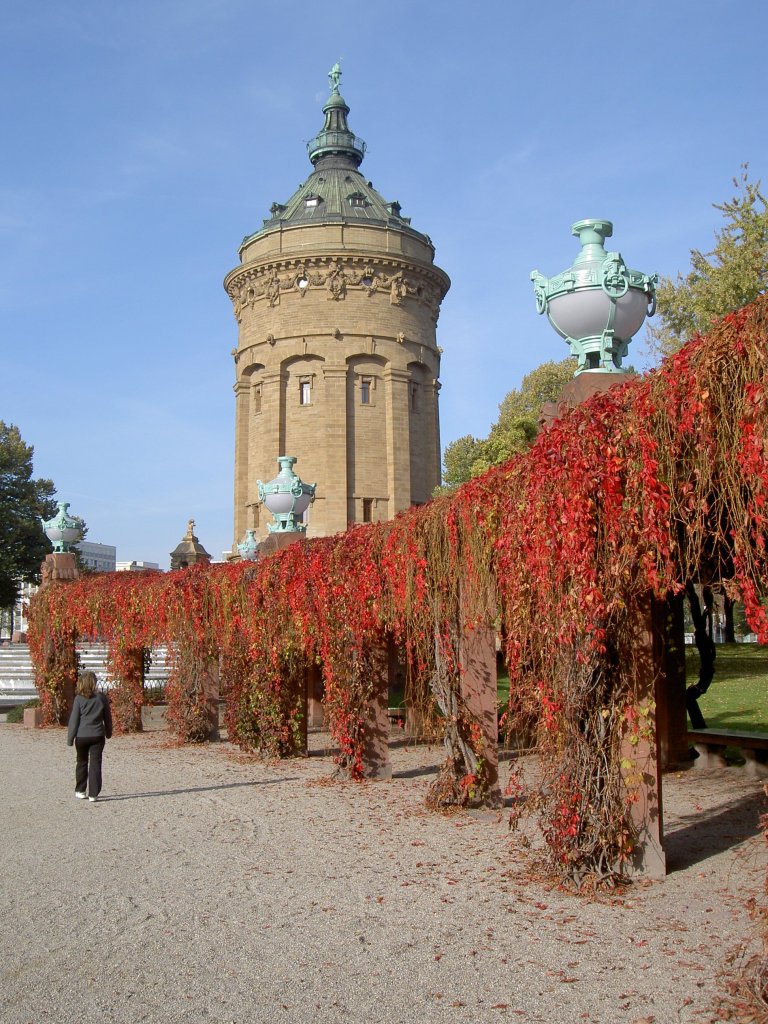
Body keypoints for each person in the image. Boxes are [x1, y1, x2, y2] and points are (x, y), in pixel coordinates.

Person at [67, 671, 113, 802]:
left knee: (81, 762)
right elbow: (107, 718)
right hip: (98, 735)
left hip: (81, 736)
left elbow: (74, 720)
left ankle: (80, 790)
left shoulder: (79, 699)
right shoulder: (101, 698)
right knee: (95, 763)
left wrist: (70, 738)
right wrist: (109, 732)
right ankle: (93, 793)